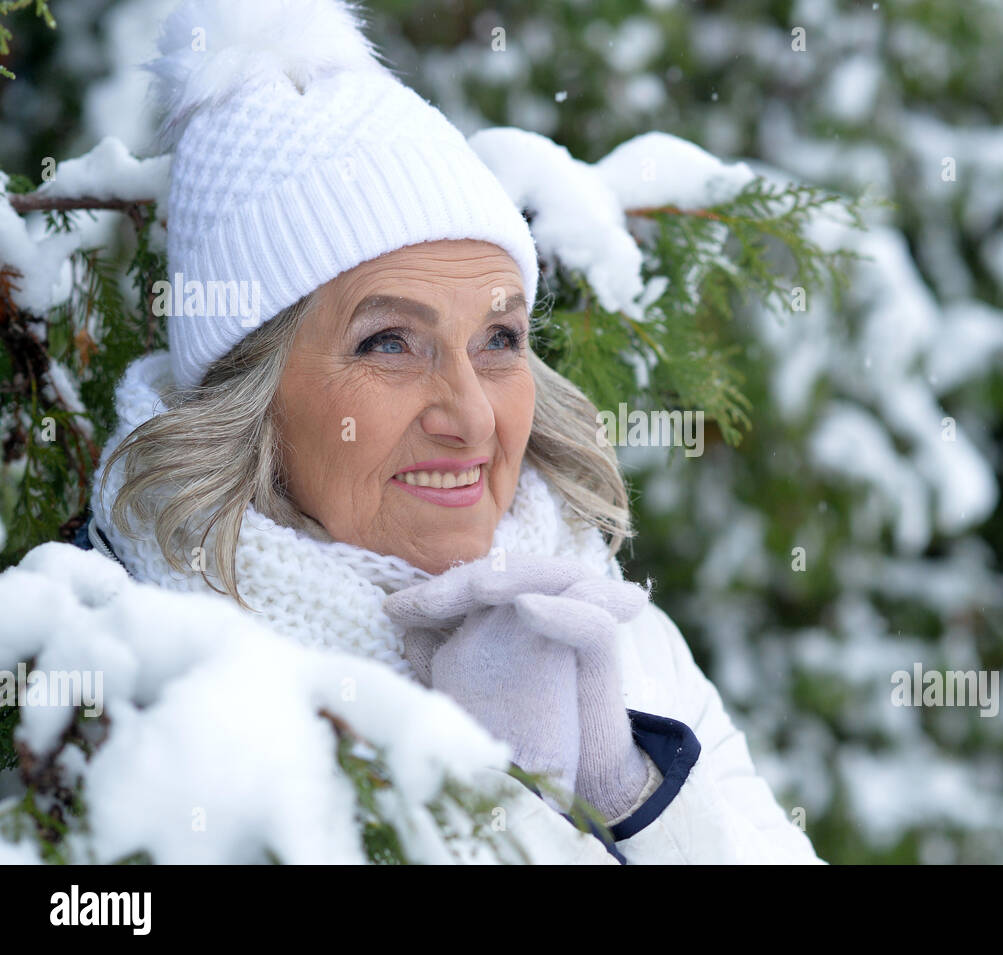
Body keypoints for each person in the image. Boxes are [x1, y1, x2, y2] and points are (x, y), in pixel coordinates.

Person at [80, 0, 824, 864]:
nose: (471, 414)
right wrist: (500, 794)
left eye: (499, 339)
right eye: (389, 343)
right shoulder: (149, 699)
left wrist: (625, 789)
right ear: (248, 396)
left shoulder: (595, 623)